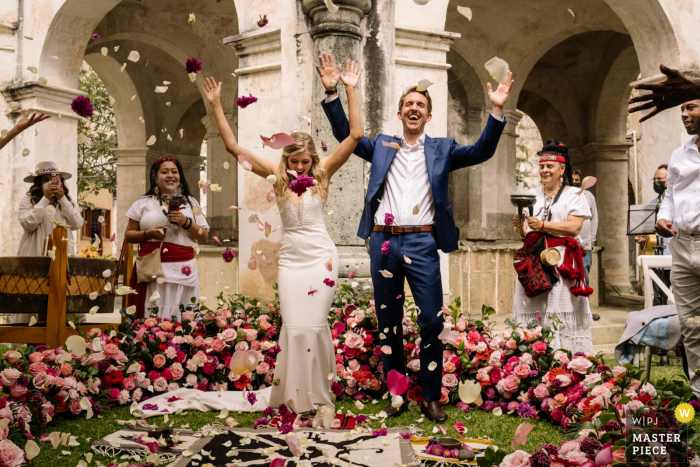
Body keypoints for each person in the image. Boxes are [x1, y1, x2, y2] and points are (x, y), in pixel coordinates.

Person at [319, 53, 512, 423]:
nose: (413, 108)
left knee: (431, 321)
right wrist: (335, 92)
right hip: (384, 242)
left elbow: (482, 151)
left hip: (423, 244)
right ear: (399, 113)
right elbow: (346, 134)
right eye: (408, 103)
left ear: (428, 116)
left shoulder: (441, 148)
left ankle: (431, 396)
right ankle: (396, 395)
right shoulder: (381, 145)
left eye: (420, 105)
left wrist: (496, 111)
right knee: (388, 320)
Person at [202, 59, 363, 416]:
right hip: (291, 261)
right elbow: (233, 148)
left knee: (315, 325)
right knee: (293, 326)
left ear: (313, 160)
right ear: (286, 158)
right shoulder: (276, 175)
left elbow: (354, 136)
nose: (300, 169)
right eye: (296, 163)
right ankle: (293, 397)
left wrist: (349, 87)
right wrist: (215, 104)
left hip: (321, 258)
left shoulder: (322, 175)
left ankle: (318, 396)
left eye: (306, 162)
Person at [512, 141, 594, 353]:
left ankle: (565, 355)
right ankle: (532, 354)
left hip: (561, 260)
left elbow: (574, 227)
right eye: (542, 166)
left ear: (562, 168)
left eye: (550, 166)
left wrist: (544, 225)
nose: (545, 170)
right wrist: (519, 227)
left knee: (560, 307)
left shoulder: (574, 195)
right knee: (534, 307)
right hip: (534, 259)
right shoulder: (531, 194)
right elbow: (524, 234)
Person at [124, 156, 209, 321]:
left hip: (184, 270)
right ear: (155, 178)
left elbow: (204, 235)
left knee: (183, 315)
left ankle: (180, 345)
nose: (170, 175)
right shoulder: (143, 203)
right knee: (154, 315)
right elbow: (129, 235)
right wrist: (147, 234)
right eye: (164, 172)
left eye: (174, 172)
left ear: (180, 176)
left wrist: (186, 222)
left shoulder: (191, 202)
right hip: (154, 271)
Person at [655, 98, 700, 398]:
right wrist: (662, 217)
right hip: (682, 247)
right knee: (691, 324)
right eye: (682, 108)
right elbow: (670, 195)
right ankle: (698, 393)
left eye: (691, 106)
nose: (683, 114)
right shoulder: (679, 154)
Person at [15, 161, 84, 324]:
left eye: (54, 178)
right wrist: (45, 199)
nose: (50, 182)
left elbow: (77, 224)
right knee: (32, 295)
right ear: (38, 182)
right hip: (35, 253)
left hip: (62, 256)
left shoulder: (68, 201)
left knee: (63, 296)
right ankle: (29, 343)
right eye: (46, 179)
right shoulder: (28, 200)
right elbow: (28, 224)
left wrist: (62, 199)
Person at [634, 164, 672, 306]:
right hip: (656, 257)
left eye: (660, 179)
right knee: (658, 298)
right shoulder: (651, 204)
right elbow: (647, 233)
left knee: (680, 297)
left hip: (675, 256)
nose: (656, 182)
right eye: (654, 179)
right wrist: (642, 238)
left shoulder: (678, 203)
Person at [629, 65, 700, 122]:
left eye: (691, 107)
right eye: (682, 110)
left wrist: (694, 89)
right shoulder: (692, 140)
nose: (683, 114)